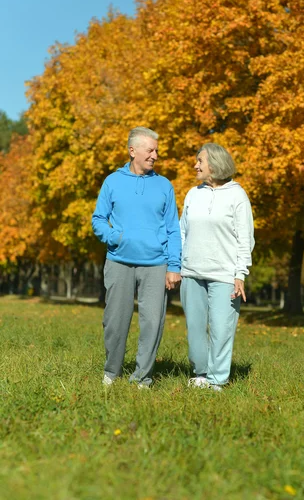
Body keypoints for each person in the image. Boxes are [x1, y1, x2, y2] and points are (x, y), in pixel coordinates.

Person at [92, 127, 181, 388]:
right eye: (150, 150)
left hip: (156, 263)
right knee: (115, 320)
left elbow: (173, 229)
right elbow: (98, 219)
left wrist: (174, 265)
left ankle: (143, 377)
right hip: (119, 260)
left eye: (156, 150)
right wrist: (115, 238)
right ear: (133, 151)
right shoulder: (112, 181)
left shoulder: (165, 186)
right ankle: (112, 371)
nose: (155, 155)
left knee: (153, 322)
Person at [180, 143, 255, 392]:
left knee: (222, 329)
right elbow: (182, 232)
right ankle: (200, 374)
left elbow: (246, 238)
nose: (196, 165)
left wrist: (240, 273)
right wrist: (178, 264)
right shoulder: (193, 194)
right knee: (195, 330)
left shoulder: (237, 195)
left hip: (224, 275)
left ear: (214, 163)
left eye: (200, 161)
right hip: (191, 272)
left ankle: (217, 379)